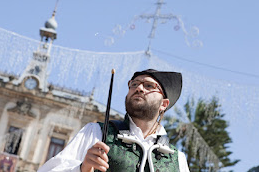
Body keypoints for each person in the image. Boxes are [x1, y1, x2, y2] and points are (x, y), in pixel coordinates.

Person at [38, 69, 190, 172]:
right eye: (134, 84)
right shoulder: (96, 132)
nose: (139, 88)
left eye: (149, 86)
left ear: (163, 104)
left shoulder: (177, 160)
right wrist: (82, 168)